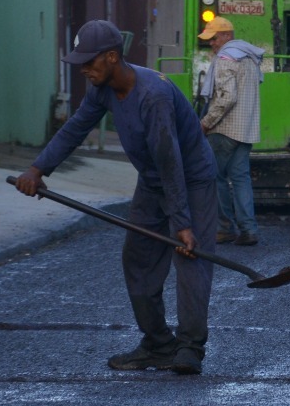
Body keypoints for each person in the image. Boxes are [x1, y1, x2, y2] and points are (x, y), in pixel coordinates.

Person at [13, 20, 219, 375]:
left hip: (192, 180)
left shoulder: (153, 95)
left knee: (190, 258)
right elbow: (76, 127)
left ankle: (190, 347)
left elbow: (170, 161)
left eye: (89, 62)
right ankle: (158, 344)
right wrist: (38, 169)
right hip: (154, 181)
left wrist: (181, 223)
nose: (84, 70)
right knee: (138, 259)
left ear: (111, 57)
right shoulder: (103, 88)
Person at [198, 17, 264, 247]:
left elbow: (226, 98)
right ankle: (248, 230)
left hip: (224, 129)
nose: (212, 44)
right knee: (241, 179)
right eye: (209, 40)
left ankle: (223, 228)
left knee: (214, 177)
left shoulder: (226, 59)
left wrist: (205, 123)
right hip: (246, 129)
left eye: (214, 38)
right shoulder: (250, 58)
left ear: (227, 36)